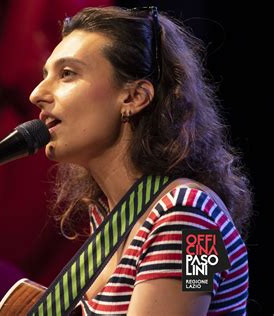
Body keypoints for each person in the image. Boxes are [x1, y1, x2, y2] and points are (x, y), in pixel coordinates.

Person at [25, 6, 252, 315]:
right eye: (45, 75)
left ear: (133, 97)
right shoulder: (109, 217)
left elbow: (196, 283)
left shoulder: (192, 221)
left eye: (67, 74)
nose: (37, 94)